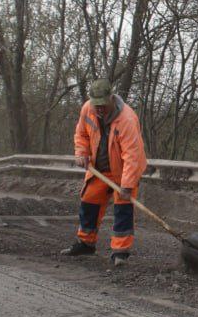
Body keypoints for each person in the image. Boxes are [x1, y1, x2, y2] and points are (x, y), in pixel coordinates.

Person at [61, 78, 148, 267]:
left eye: (102, 105)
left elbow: (133, 156)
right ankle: (85, 243)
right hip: (98, 170)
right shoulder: (87, 109)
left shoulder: (127, 119)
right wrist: (82, 153)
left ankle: (120, 253)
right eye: (96, 105)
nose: (99, 109)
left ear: (111, 98)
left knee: (123, 209)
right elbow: (81, 134)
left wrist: (127, 184)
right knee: (89, 202)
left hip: (123, 171)